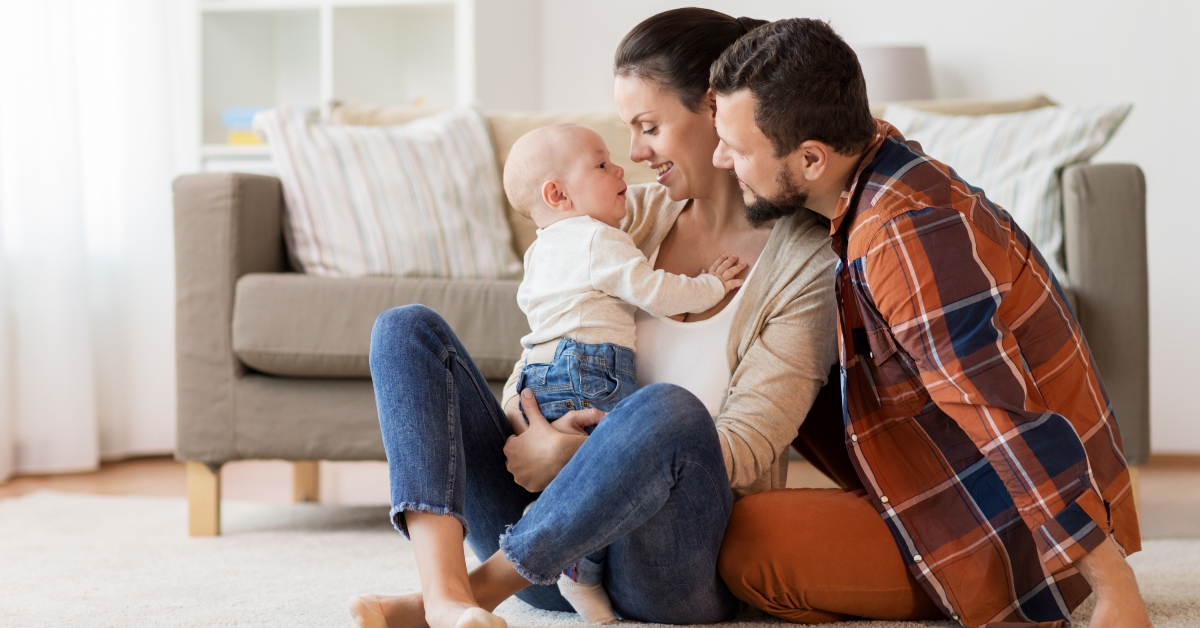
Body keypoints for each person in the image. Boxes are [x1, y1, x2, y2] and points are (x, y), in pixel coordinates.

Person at [348, 8, 838, 628]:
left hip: (669, 569)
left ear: (716, 110)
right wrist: (531, 426)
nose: (633, 153)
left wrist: (579, 457)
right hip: (555, 553)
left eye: (649, 126)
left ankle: (482, 589)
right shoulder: (626, 215)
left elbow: (746, 448)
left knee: (667, 407)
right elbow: (550, 344)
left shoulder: (806, 263)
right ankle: (445, 596)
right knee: (405, 330)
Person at [708, 18, 1150, 628]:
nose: (718, 158)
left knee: (747, 546)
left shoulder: (902, 234)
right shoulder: (876, 172)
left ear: (811, 158)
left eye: (734, 146)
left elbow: (997, 412)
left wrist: (1113, 586)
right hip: (956, 472)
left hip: (1027, 537)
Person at [502, 122, 747, 623]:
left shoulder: (539, 252)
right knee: (613, 471)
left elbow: (538, 331)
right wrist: (709, 287)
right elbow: (655, 291)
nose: (622, 168)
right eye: (602, 164)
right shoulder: (596, 239)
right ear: (558, 193)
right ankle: (574, 567)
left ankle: (547, 522)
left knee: (584, 473)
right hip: (591, 371)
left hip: (541, 372)